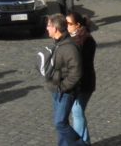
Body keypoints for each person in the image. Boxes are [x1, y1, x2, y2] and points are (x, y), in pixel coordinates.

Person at [43, 13, 87, 146]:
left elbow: (76, 73)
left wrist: (63, 87)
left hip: (65, 91)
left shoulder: (69, 47)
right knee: (62, 122)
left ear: (56, 29)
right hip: (56, 89)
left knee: (60, 123)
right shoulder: (58, 43)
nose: (46, 28)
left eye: (49, 26)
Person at [66, 12, 96, 144]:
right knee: (77, 112)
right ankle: (84, 141)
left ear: (78, 25)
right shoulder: (74, 38)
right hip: (79, 82)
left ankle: (82, 142)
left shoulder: (86, 40)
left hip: (83, 83)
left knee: (77, 112)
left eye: (69, 24)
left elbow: (81, 64)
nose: (66, 26)